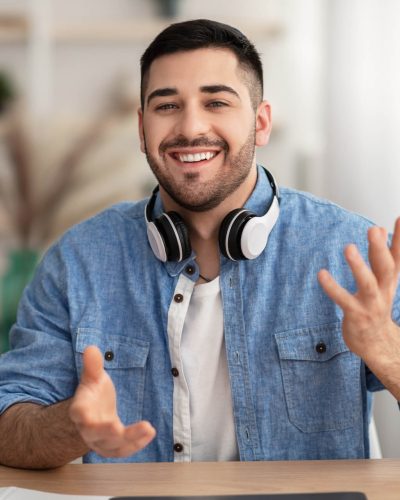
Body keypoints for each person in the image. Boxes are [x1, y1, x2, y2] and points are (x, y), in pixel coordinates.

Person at [0, 19, 399, 470]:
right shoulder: (77, 261)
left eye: (216, 102)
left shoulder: (354, 252)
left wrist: (388, 351)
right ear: (141, 127)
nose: (190, 127)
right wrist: (69, 428)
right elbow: (9, 424)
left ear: (261, 122)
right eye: (166, 105)